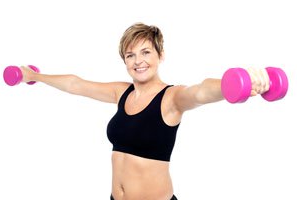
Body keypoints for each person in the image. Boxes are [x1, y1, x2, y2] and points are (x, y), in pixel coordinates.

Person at [20, 22, 270, 200]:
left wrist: (236, 84)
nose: (138, 61)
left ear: (160, 55)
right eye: (130, 55)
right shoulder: (122, 92)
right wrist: (34, 76)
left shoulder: (171, 98)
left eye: (145, 52)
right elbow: (77, 84)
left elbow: (201, 91)